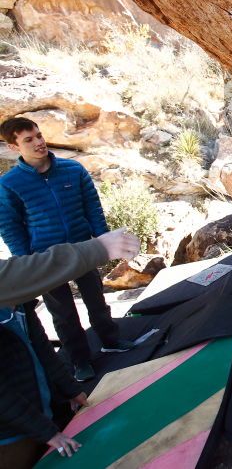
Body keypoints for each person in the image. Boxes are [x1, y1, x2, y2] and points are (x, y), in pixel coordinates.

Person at [0, 117, 135, 383]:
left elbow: (92, 207)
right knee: (62, 314)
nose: (39, 142)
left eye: (39, 135)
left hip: (84, 248)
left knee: (96, 300)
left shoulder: (73, 170)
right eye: (28, 139)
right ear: (14, 147)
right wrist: (27, 262)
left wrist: (104, 241)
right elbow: (9, 225)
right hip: (45, 259)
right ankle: (80, 360)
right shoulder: (9, 184)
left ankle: (111, 339)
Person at [0, 230, 141, 468]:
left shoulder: (18, 299)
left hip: (41, 414)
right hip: (11, 434)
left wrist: (69, 389)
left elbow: (41, 348)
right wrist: (47, 432)